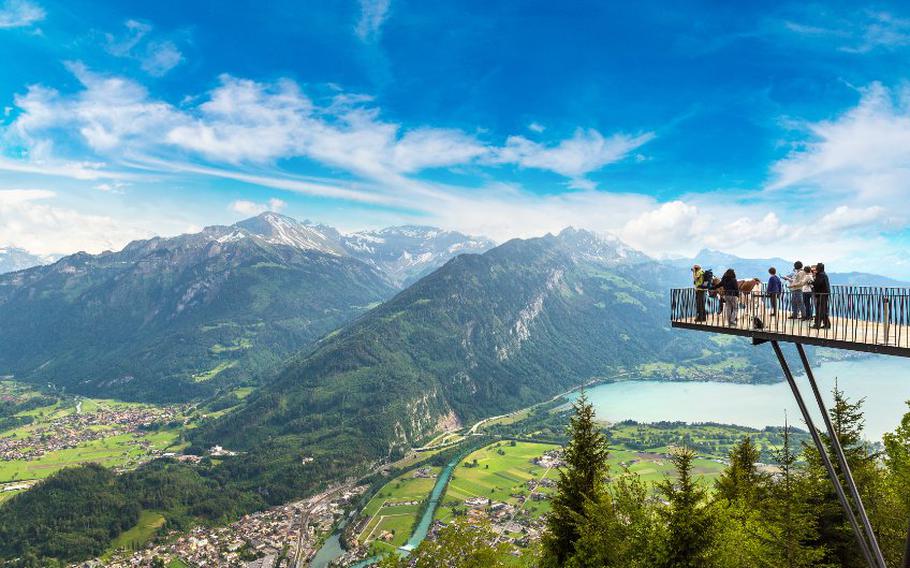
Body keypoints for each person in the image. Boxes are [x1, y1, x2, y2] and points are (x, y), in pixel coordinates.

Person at [812, 262, 831, 329]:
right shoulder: (823, 274)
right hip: (824, 294)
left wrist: (812, 282)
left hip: (821, 294)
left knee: (819, 310)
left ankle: (817, 324)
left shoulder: (820, 275)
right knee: (823, 310)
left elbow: (817, 284)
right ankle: (827, 324)